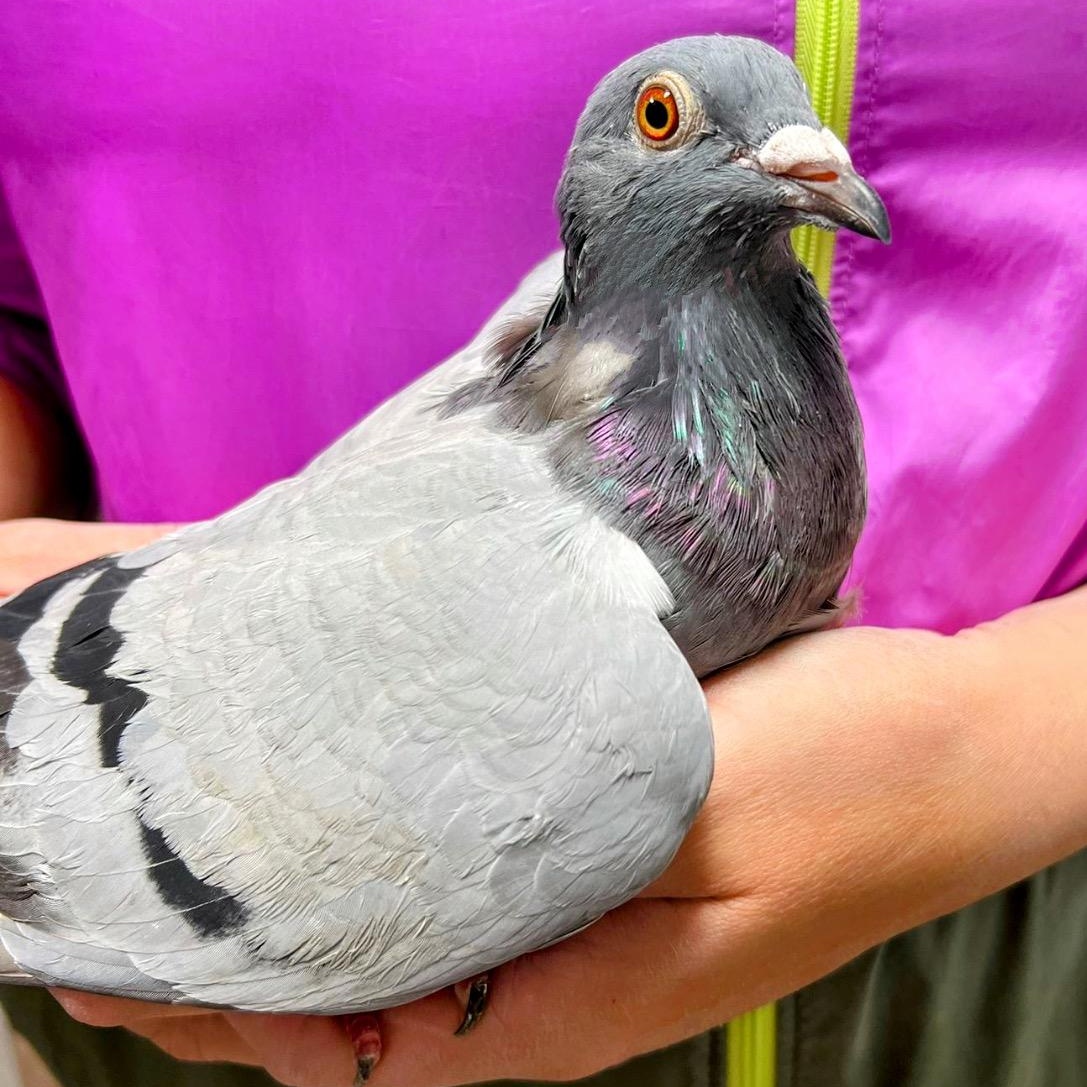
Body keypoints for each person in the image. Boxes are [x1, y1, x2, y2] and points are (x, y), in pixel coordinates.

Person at [1, 2, 1086, 1087]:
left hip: (992, 887)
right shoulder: (548, 561)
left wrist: (978, 751)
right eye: (663, 119)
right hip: (200, 806)